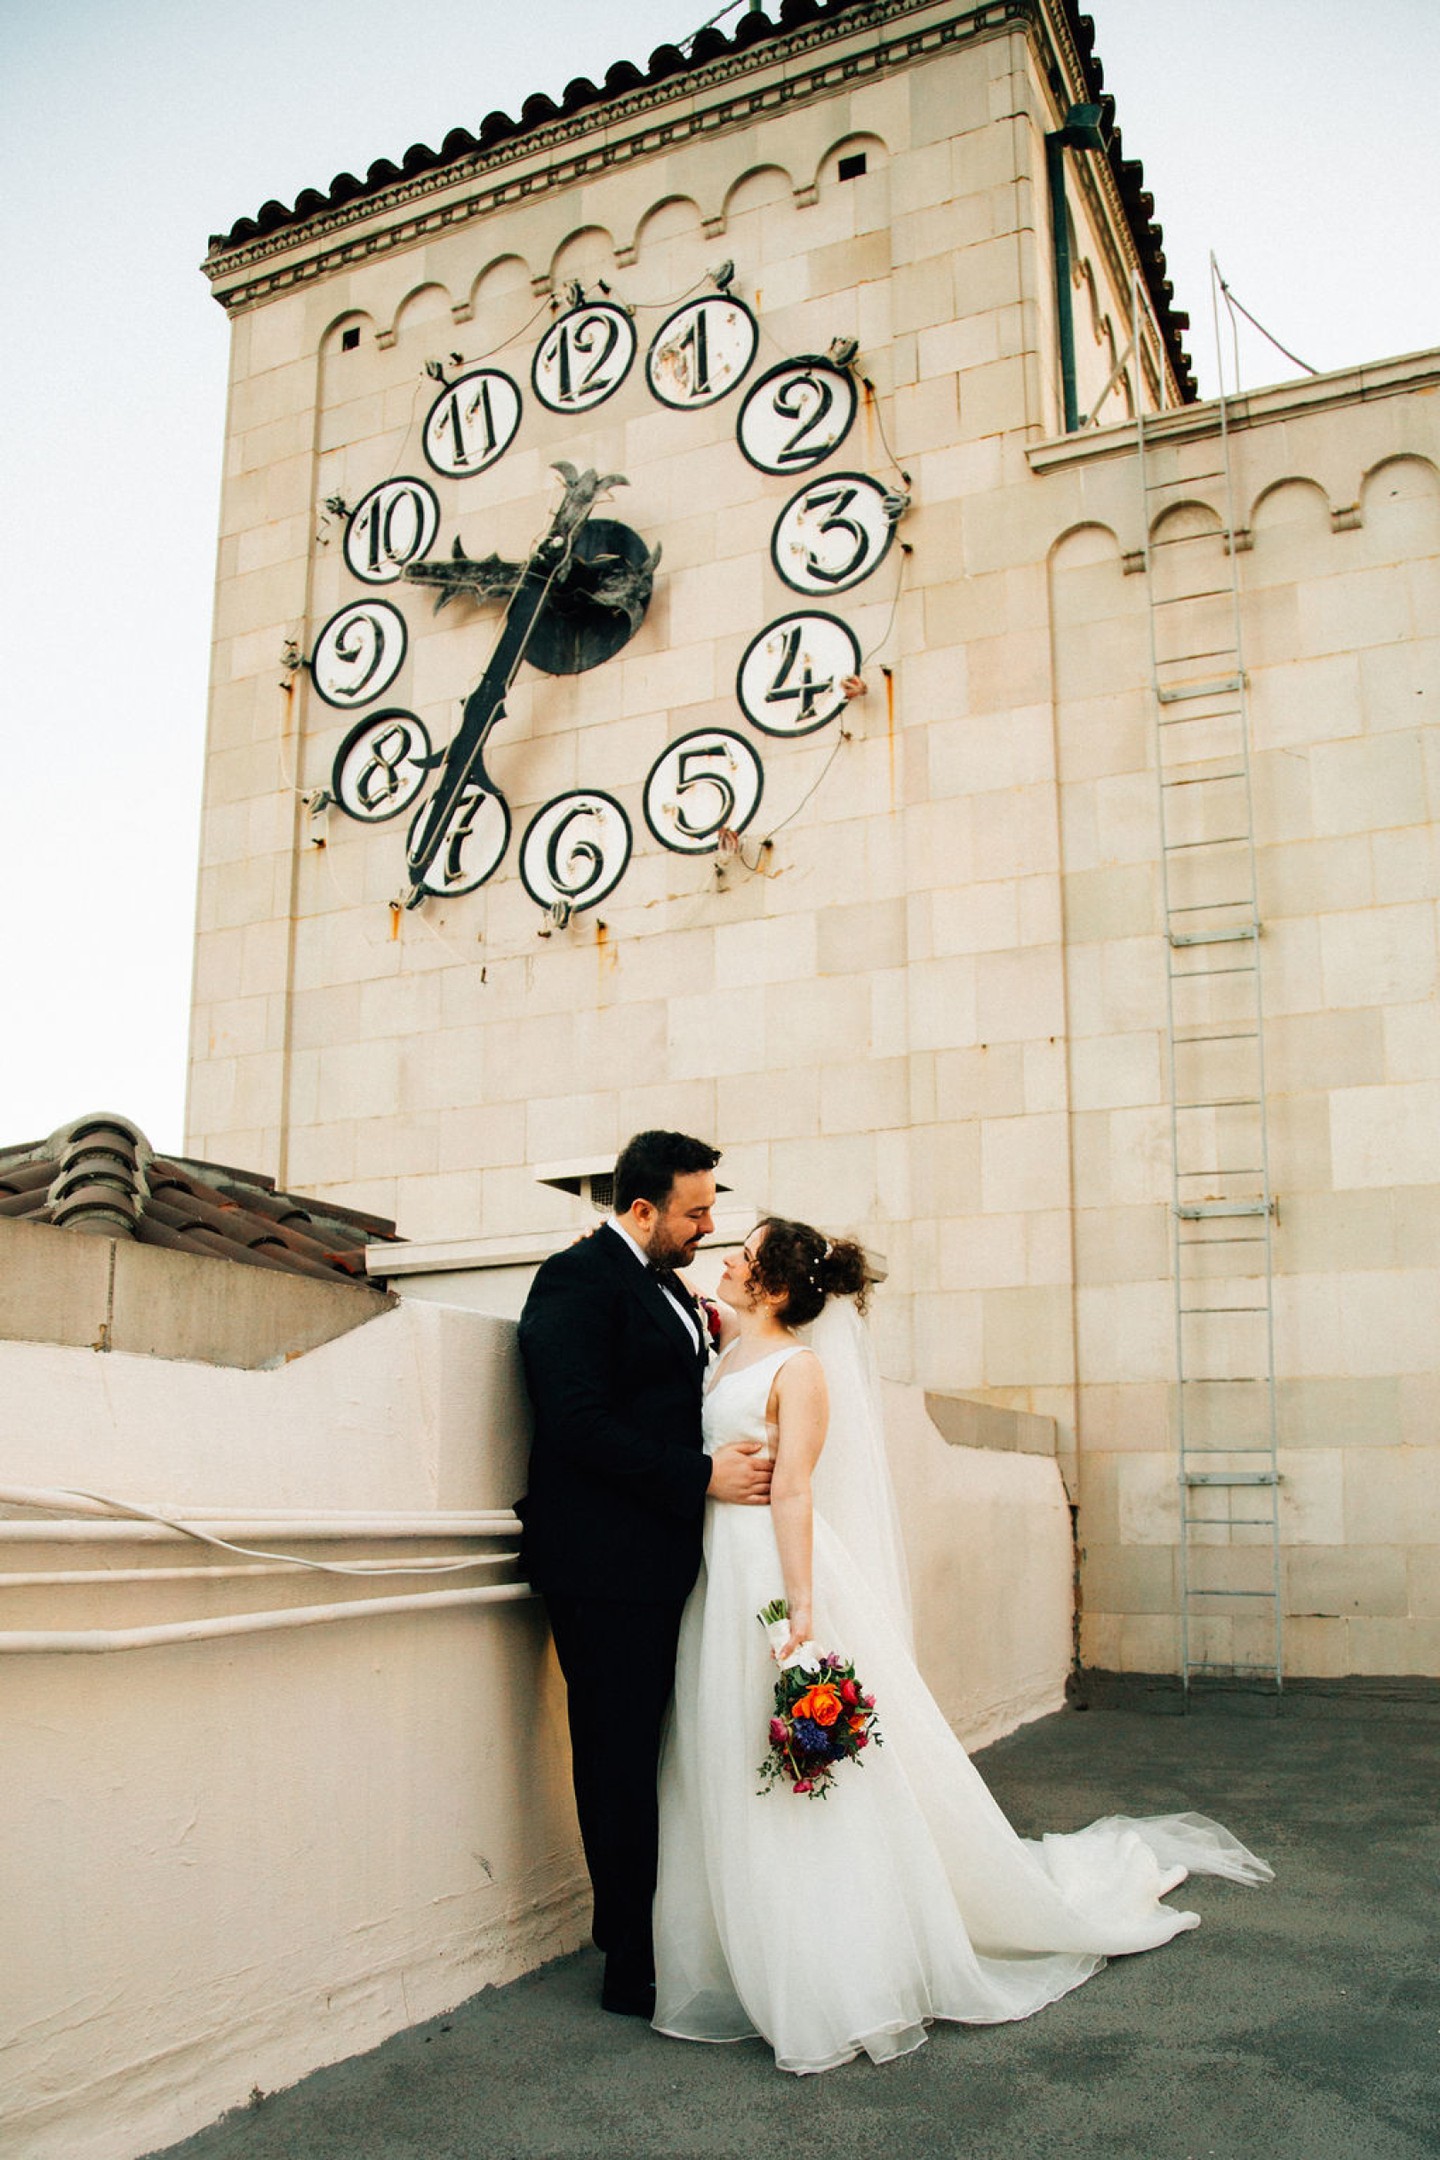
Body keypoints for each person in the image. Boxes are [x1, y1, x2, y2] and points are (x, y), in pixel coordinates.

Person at [652, 1216, 1273, 2076]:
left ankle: (830, 1973)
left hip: (770, 1573)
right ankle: (740, 1951)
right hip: (717, 1572)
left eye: (744, 1256)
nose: (727, 1260)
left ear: (780, 1287)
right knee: (725, 1752)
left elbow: (793, 1492)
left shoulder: (801, 1370)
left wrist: (800, 1615)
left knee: (805, 1771)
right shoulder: (727, 1345)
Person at [516, 1130, 773, 2019]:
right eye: (696, 1211)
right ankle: (628, 1958)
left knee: (657, 1754)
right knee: (618, 1760)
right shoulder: (576, 1281)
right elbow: (577, 1423)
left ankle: (661, 1929)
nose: (709, 1224)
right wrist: (702, 1477)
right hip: (602, 1568)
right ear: (640, 1209)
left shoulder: (666, 1287)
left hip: (661, 1565)